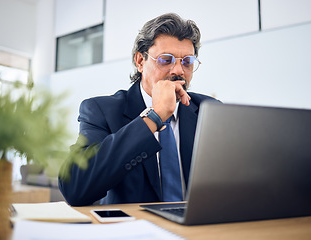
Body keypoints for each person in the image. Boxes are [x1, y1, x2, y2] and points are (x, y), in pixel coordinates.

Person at [58, 13, 221, 206]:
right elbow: (75, 187)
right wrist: (154, 116)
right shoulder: (100, 110)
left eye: (187, 62)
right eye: (166, 60)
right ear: (140, 61)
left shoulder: (208, 110)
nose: (178, 71)